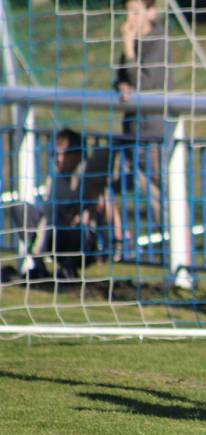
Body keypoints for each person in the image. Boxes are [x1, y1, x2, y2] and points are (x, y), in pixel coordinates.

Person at [112, 0, 172, 258]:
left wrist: (127, 47)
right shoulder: (133, 39)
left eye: (135, 11)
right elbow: (121, 79)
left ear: (151, 12)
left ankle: (170, 245)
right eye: (127, 11)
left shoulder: (158, 41)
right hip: (130, 129)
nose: (130, 17)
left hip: (152, 130)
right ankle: (116, 239)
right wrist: (121, 87)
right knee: (109, 182)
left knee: (158, 190)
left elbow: (145, 85)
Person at [11, 128, 100, 279]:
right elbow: (47, 216)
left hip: (83, 242)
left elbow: (102, 206)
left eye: (63, 154)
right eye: (55, 154)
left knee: (77, 227)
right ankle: (39, 267)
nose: (58, 159)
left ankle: (69, 269)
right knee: (21, 209)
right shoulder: (55, 180)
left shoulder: (89, 178)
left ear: (77, 155)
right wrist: (38, 248)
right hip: (54, 237)